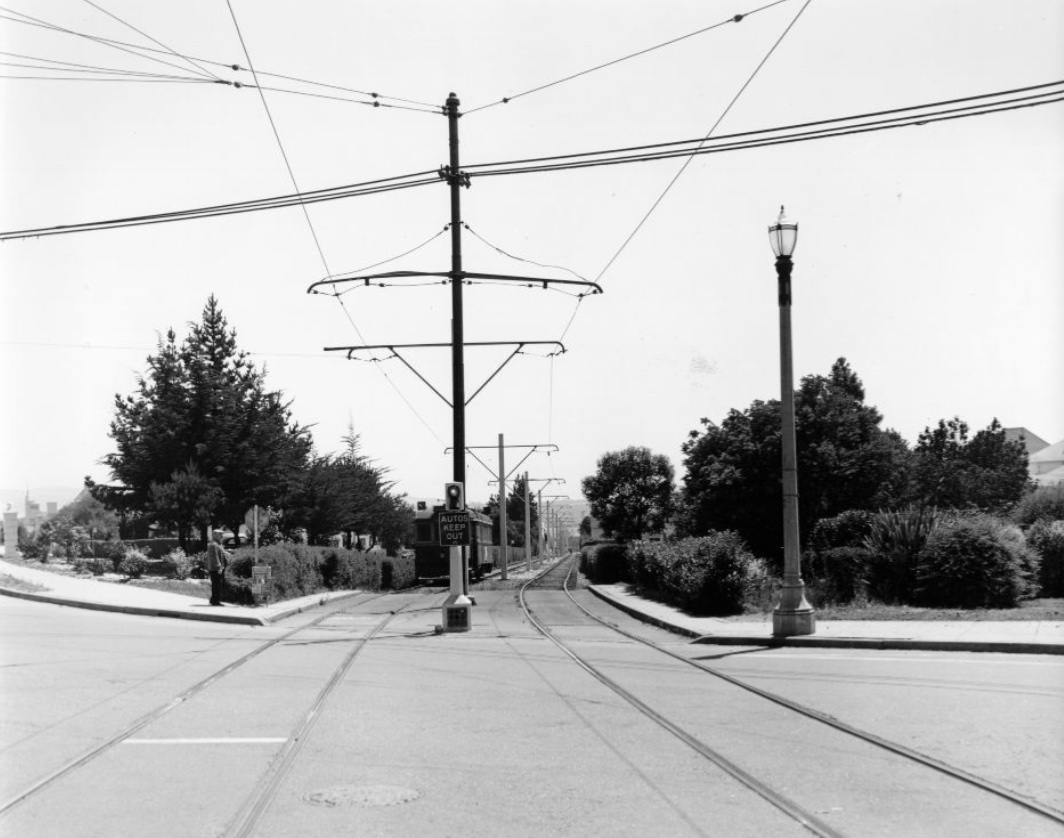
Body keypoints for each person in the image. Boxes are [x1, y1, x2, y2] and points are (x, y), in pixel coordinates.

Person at [207, 530, 230, 606]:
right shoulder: (214, 545)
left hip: (216, 569)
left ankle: (213, 599)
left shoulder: (217, 544)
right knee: (217, 585)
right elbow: (215, 557)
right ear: (215, 535)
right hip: (216, 569)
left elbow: (221, 553)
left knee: (216, 584)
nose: (222, 536)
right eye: (220, 534)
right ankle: (215, 601)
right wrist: (219, 567)